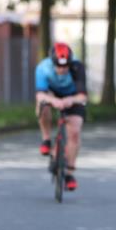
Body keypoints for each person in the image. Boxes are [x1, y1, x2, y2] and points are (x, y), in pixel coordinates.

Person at [35, 41, 88, 191]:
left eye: (65, 66)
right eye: (58, 65)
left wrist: (69, 100)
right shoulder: (42, 68)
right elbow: (40, 95)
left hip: (72, 96)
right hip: (51, 94)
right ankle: (46, 139)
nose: (62, 69)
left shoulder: (77, 67)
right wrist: (54, 101)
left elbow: (83, 97)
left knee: (75, 131)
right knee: (43, 106)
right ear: (52, 62)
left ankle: (69, 173)